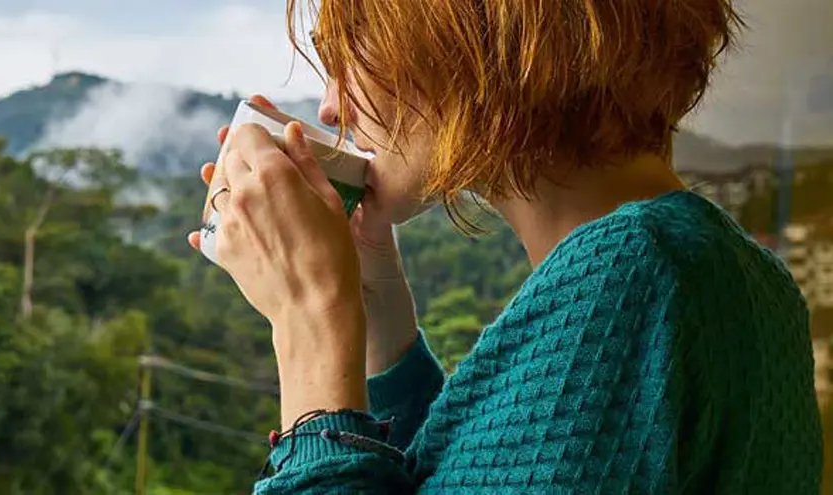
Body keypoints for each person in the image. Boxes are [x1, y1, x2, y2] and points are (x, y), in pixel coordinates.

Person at [185, 0, 822, 492]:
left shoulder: (633, 276)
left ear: (472, 34)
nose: (330, 106)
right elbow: (477, 474)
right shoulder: (735, 276)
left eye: (350, 54)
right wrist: (372, 307)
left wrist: (310, 324)